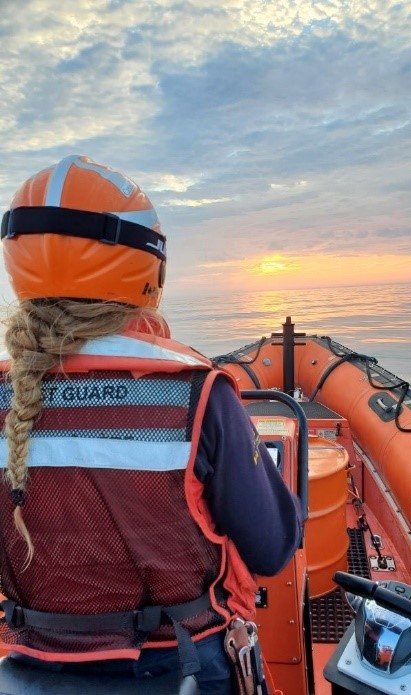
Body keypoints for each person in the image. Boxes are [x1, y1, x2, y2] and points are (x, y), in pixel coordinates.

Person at [0, 155, 303, 694]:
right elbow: (272, 547)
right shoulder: (197, 396)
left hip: (29, 672)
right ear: (148, 269)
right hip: (182, 669)